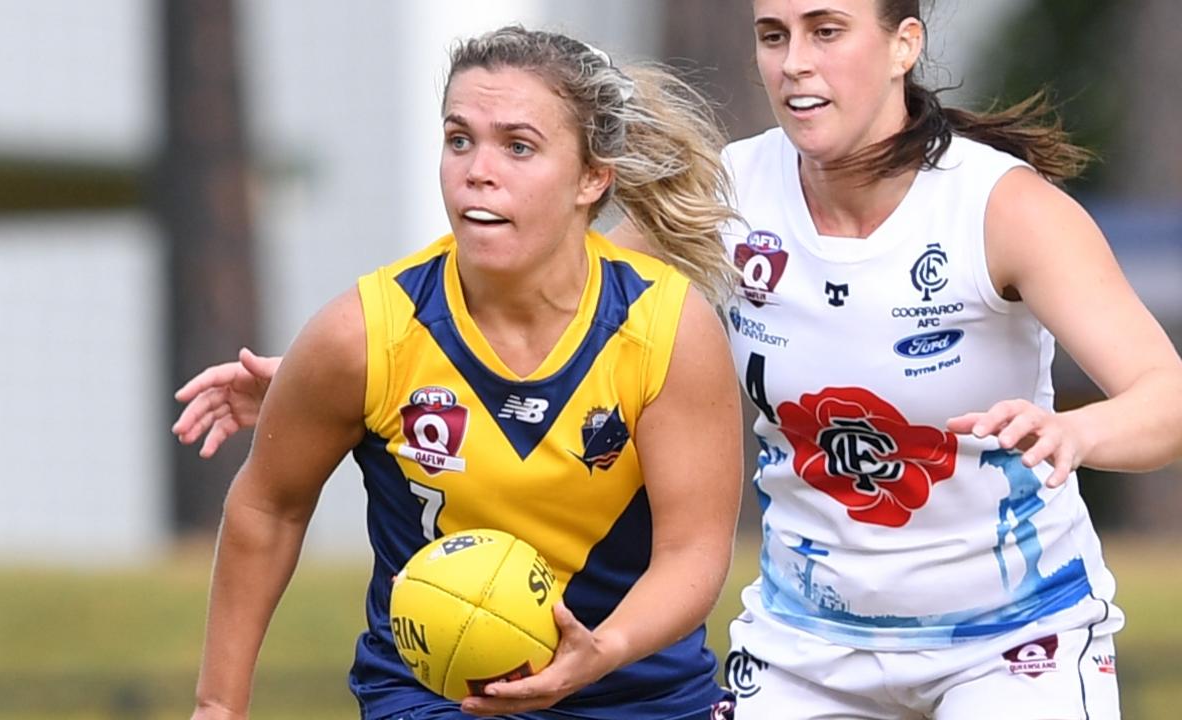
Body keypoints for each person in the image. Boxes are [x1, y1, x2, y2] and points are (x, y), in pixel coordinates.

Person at [177, 3, 1182, 719]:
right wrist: (334, 384)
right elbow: (571, 310)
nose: (793, 63)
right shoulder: (730, 194)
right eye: (772, 33)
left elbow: (1164, 399)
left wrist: (1073, 429)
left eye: (825, 30)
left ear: (901, 44)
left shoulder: (998, 209)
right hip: (805, 645)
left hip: (1007, 636)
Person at [182, 26, 745, 720]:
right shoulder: (363, 335)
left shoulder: (668, 328)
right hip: (432, 700)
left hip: (637, 694)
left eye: (518, 146)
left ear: (593, 177)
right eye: (459, 139)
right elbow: (268, 507)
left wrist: (602, 649)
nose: (478, 169)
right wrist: (217, 707)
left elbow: (692, 556)